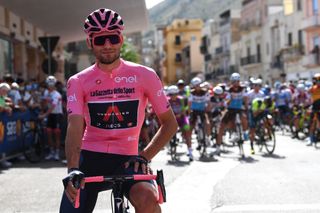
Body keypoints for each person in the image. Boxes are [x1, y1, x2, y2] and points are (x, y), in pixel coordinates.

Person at [59, 8, 177, 213]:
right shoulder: (78, 81)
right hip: (90, 158)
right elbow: (75, 125)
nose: (107, 45)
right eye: (100, 40)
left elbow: (170, 123)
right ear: (89, 42)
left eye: (113, 38)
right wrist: (73, 168)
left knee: (149, 201)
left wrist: (145, 156)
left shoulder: (145, 75)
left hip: (128, 158)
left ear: (121, 39)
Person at [39, 76, 63, 161]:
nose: (50, 86)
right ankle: (51, 152)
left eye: (52, 85)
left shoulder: (57, 94)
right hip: (50, 115)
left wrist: (44, 115)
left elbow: (53, 106)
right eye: (49, 85)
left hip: (57, 115)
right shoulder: (46, 92)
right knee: (49, 134)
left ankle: (57, 153)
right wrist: (42, 110)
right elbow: (44, 103)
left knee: (56, 134)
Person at [167, 85, 193, 161]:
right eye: (171, 94)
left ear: (177, 93)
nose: (173, 96)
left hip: (181, 117)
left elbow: (184, 110)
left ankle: (190, 151)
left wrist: (180, 114)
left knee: (187, 130)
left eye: (174, 94)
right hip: (172, 118)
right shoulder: (167, 100)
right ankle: (169, 143)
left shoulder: (181, 99)